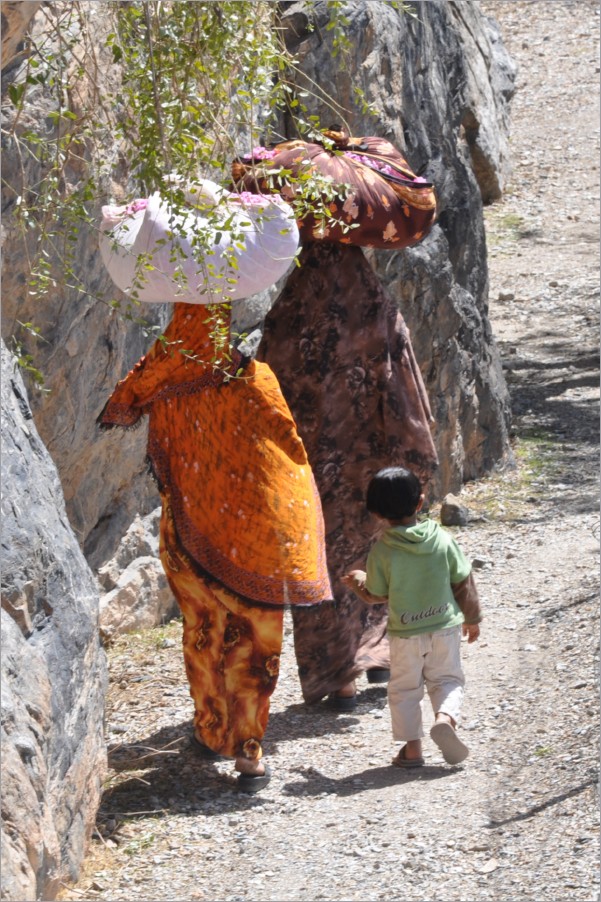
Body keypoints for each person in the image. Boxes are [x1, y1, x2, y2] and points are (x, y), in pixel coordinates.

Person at [99, 302, 332, 791]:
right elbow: (288, 448)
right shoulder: (257, 377)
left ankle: (211, 729)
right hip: (257, 538)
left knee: (204, 630)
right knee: (254, 642)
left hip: (190, 533)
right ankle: (249, 753)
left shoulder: (164, 378)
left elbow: (126, 403)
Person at [258, 242, 439, 710]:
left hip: (309, 465)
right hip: (370, 463)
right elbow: (406, 388)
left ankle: (339, 678)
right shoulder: (376, 306)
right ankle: (378, 654)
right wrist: (411, 454)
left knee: (318, 557)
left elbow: (266, 383)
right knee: (374, 549)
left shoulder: (289, 312)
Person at [343, 466, 482, 767]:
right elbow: (463, 580)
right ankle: (445, 718)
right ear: (420, 502)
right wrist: (472, 618)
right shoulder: (442, 540)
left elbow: (377, 593)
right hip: (444, 628)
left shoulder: (383, 550)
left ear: (378, 513)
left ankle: (412, 749)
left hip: (406, 633)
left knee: (405, 689)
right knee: (447, 679)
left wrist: (358, 582)